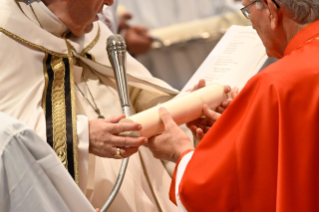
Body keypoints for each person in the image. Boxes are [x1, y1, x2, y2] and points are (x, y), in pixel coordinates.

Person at [0, 0, 181, 211]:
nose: (110, 3)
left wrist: (192, 105)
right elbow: (8, 141)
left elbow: (138, 89)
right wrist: (80, 136)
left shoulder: (93, 29)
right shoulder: (6, 33)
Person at [146, 0, 319, 211]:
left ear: (272, 11)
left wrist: (180, 153)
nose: (252, 24)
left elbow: (218, 189)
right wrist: (244, 132)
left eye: (247, 11)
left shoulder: (276, 84)